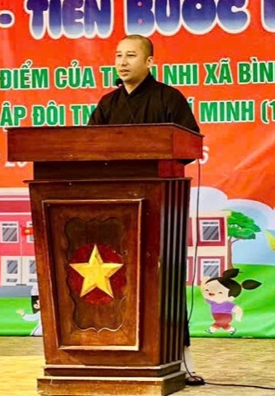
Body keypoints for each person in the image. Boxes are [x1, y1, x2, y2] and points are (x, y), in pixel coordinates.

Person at [87, 34, 205, 387]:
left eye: (131, 56)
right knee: (118, 280)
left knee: (163, 282)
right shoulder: (108, 104)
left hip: (160, 204)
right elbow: (89, 146)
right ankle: (117, 358)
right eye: (118, 56)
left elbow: (190, 144)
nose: (122, 62)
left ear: (149, 62)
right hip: (116, 207)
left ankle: (181, 360)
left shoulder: (169, 99)